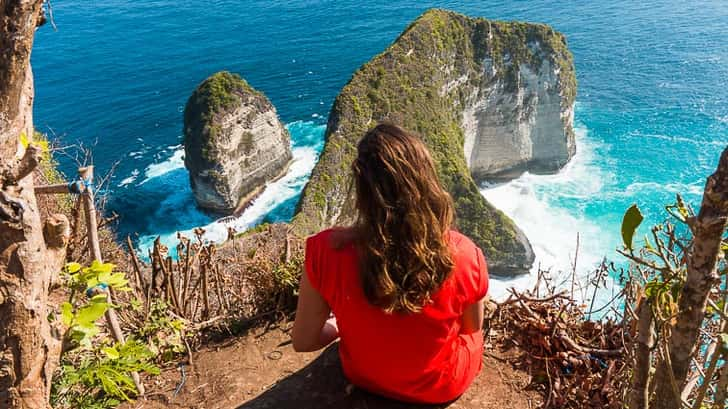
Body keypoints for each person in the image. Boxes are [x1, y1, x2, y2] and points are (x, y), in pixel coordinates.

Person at [291, 123, 489, 404]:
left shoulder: (324, 250)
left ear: (361, 191)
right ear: (427, 184)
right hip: (439, 387)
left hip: (364, 376)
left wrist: (339, 327)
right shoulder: (465, 254)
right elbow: (471, 327)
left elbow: (303, 341)